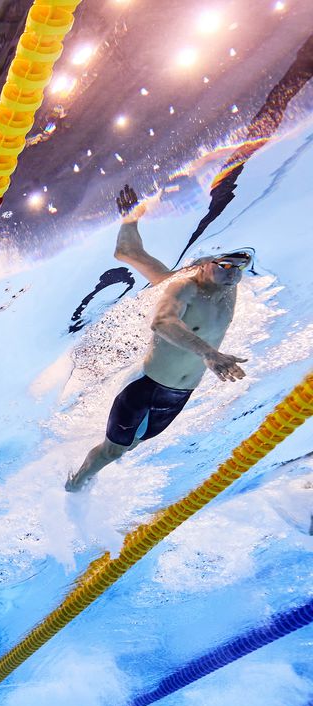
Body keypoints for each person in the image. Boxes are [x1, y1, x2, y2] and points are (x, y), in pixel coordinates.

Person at [66, 185, 250, 492]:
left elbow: (129, 253)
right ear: (203, 265)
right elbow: (162, 322)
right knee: (113, 451)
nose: (233, 274)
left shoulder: (228, 288)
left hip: (179, 396)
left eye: (240, 267)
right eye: (226, 265)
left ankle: (98, 458)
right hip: (146, 388)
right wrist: (210, 354)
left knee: (130, 446)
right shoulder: (182, 287)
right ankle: (73, 488)